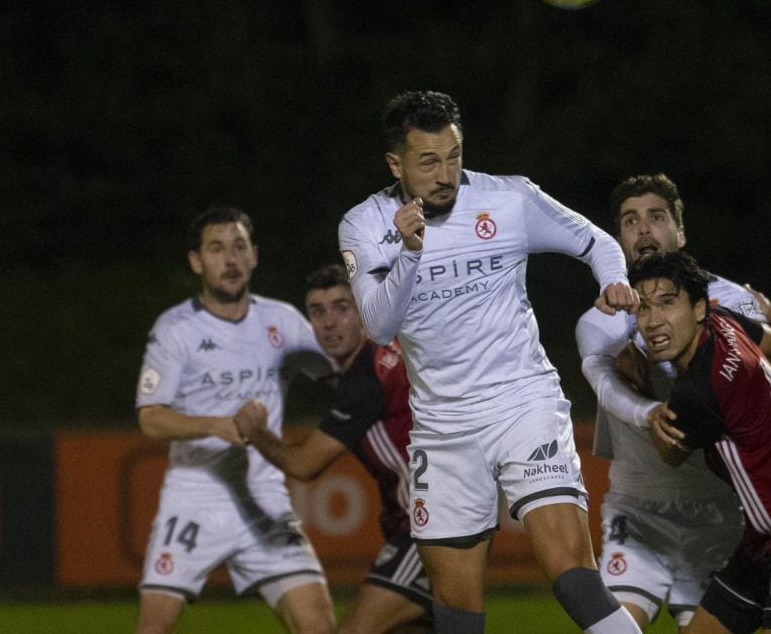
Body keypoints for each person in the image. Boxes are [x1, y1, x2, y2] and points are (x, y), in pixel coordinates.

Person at [338, 90, 640, 633]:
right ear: (396, 164)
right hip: (442, 427)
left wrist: (614, 281)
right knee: (456, 618)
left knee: (573, 580)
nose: (445, 173)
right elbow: (379, 326)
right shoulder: (365, 224)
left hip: (522, 403)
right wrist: (410, 253)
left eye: (453, 155)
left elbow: (598, 244)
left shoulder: (510, 200)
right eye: (428, 161)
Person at [576, 173, 771, 631]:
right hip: (638, 510)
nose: (643, 230)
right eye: (630, 221)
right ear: (618, 238)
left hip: (718, 515)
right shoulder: (603, 318)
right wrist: (647, 407)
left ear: (680, 232)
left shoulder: (729, 302)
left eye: (656, 217)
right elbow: (603, 382)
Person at [629, 250, 771, 634]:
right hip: (763, 542)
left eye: (667, 303)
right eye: (643, 308)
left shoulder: (700, 392)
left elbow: (669, 452)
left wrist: (641, 395)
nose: (653, 322)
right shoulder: (726, 321)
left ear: (699, 308)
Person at [134, 207, 334, 634]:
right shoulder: (175, 330)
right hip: (195, 498)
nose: (230, 259)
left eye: (239, 247)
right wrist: (218, 425)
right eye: (217, 248)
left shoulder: (282, 321)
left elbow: (341, 373)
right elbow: (151, 419)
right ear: (196, 261)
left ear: (255, 256)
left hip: (263, 497)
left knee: (319, 625)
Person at [234, 263, 433, 633]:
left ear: (363, 311)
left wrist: (257, 432)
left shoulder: (367, 375)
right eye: (318, 311)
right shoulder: (382, 357)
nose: (329, 322)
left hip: (428, 529)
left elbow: (303, 464)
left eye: (342, 308)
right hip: (428, 521)